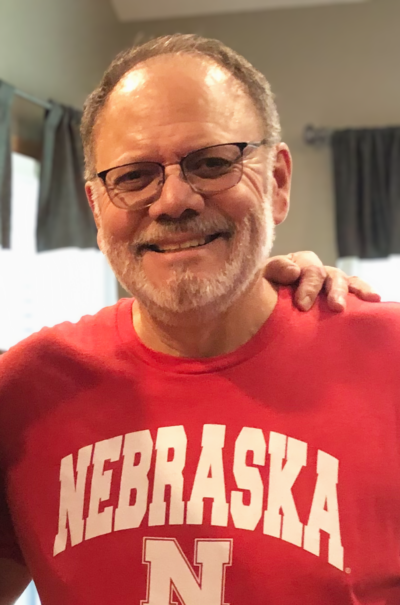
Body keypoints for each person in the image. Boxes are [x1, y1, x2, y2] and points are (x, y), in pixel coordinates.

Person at [0, 33, 394, 605]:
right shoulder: (23, 391)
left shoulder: (388, 360)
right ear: (95, 208)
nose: (173, 201)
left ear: (277, 182)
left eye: (212, 163)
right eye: (133, 175)